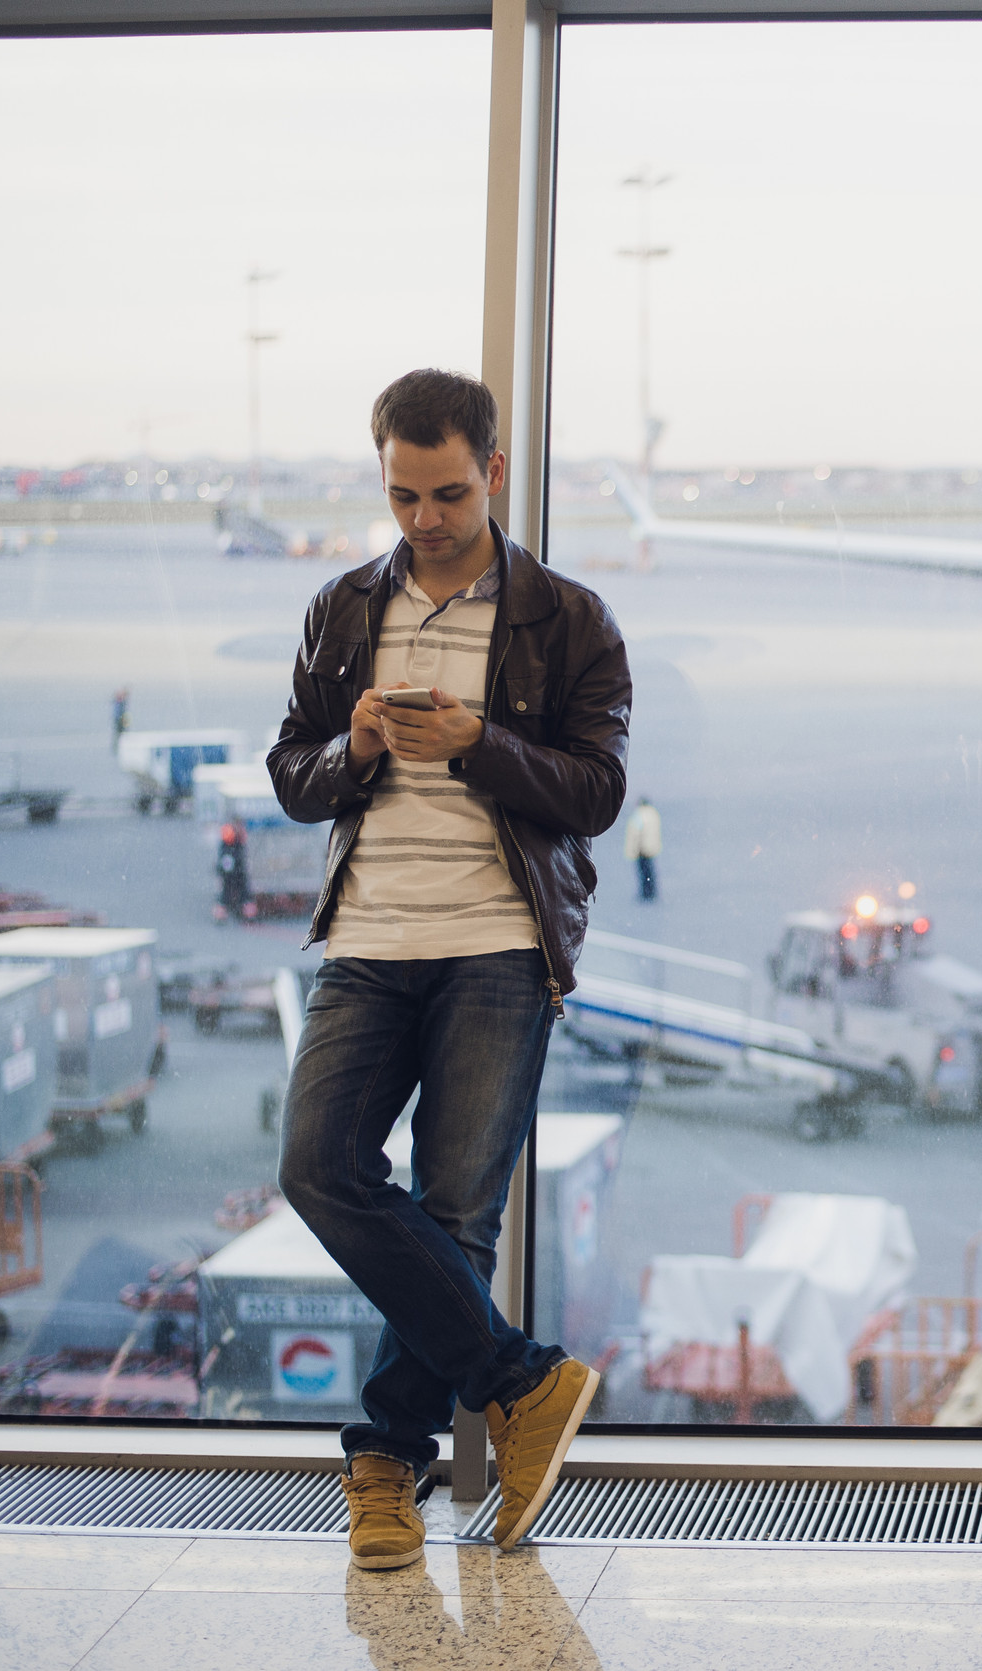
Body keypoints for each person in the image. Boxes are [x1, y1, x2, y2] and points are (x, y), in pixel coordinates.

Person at [266, 368, 632, 1571]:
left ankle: (383, 1462)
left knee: (454, 1218)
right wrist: (356, 748)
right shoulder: (340, 609)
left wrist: (483, 745)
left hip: (496, 943)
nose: (424, 518)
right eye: (402, 495)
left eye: (447, 493)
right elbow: (291, 771)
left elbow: (597, 794)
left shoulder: (568, 618)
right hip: (369, 939)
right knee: (317, 1167)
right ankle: (522, 1382)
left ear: (495, 471)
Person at [624, 795, 661, 901]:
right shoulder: (654, 814)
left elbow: (634, 834)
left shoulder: (639, 815)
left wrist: (632, 850)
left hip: (642, 849)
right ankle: (652, 892)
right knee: (650, 872)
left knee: (643, 873)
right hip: (651, 849)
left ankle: (646, 893)